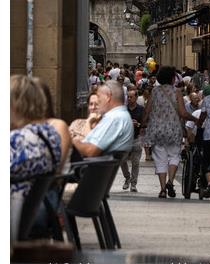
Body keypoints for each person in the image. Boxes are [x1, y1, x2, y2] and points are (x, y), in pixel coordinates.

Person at [10, 75, 62, 241]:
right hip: (35, 210)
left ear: (16, 105)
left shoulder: (19, 140)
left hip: (15, 217)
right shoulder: (49, 134)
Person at [142, 66, 203, 198]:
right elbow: (182, 113)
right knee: (174, 156)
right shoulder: (176, 92)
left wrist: (143, 124)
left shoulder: (155, 91)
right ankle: (170, 181)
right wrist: (195, 119)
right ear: (172, 78)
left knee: (160, 159)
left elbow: (147, 111)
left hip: (157, 130)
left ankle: (163, 189)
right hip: (173, 130)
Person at [71, 81, 133, 157]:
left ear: (108, 97)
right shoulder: (117, 116)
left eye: (99, 97)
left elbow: (90, 150)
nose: (98, 101)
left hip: (85, 165)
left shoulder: (114, 118)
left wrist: (69, 141)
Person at [121, 87, 144, 192]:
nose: (129, 99)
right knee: (122, 160)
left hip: (136, 138)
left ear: (136, 97)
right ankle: (127, 178)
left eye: (131, 97)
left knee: (136, 162)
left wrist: (138, 124)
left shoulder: (141, 109)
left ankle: (133, 184)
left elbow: (146, 123)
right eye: (128, 97)